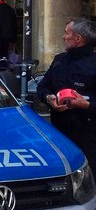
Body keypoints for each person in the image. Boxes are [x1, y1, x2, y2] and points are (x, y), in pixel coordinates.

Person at [36, 19, 96, 168]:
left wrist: (86, 105)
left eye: (66, 33)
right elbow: (42, 87)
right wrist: (49, 98)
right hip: (59, 131)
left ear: (78, 39)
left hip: (87, 133)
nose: (63, 37)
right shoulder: (60, 60)